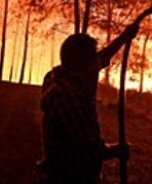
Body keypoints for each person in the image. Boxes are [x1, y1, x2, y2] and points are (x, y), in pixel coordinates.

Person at [36, 23, 139, 184]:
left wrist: (125, 37)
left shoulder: (60, 75)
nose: (96, 65)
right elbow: (88, 147)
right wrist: (115, 151)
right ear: (78, 62)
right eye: (91, 59)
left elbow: (103, 57)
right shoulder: (66, 95)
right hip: (67, 176)